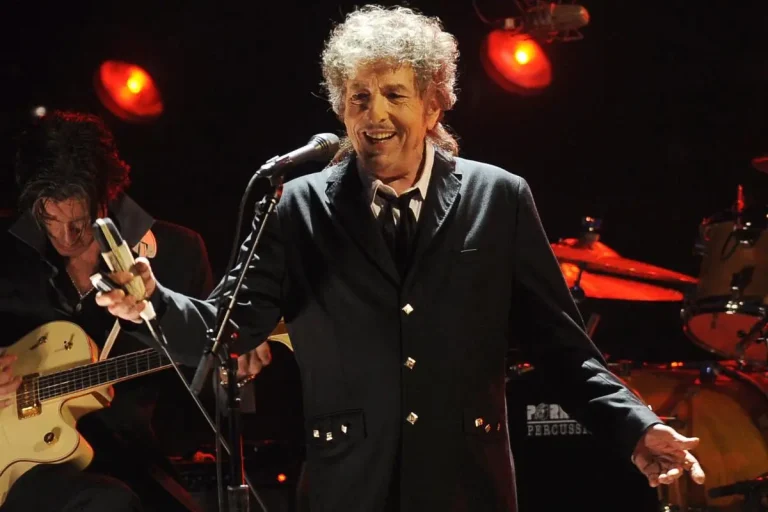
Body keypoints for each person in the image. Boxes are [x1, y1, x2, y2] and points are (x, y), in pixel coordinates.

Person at [96, 5, 706, 511]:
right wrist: (152, 301)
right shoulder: (297, 204)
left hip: (467, 486)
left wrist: (637, 427)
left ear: (434, 105)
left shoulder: (500, 197)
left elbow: (563, 348)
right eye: (359, 97)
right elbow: (227, 328)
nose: (376, 114)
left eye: (394, 94)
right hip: (347, 488)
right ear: (341, 110)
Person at [0, 110, 270, 512]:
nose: (65, 236)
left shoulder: (177, 253)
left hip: (135, 464)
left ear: (107, 195)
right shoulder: (6, 253)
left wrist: (236, 367)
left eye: (81, 220)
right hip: (23, 474)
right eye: (49, 218)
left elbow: (211, 390)